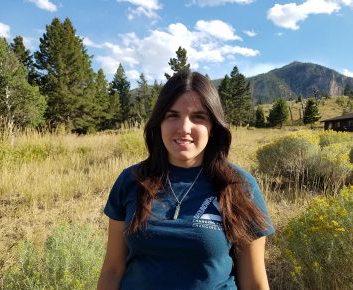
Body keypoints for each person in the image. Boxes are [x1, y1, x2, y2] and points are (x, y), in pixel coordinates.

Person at [97, 70, 275, 290]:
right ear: (159, 122)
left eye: (198, 117)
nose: (184, 128)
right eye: (173, 116)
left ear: (213, 127)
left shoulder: (240, 186)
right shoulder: (131, 180)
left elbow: (254, 282)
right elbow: (113, 269)